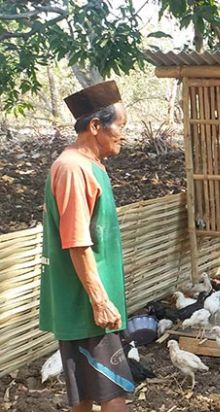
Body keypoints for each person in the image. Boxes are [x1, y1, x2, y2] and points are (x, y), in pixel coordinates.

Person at [39, 80, 133, 412]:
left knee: (87, 394)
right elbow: (77, 242)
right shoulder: (72, 169)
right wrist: (100, 300)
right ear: (95, 126)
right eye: (119, 126)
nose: (123, 134)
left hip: (90, 304)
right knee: (114, 392)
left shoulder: (90, 166)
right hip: (87, 306)